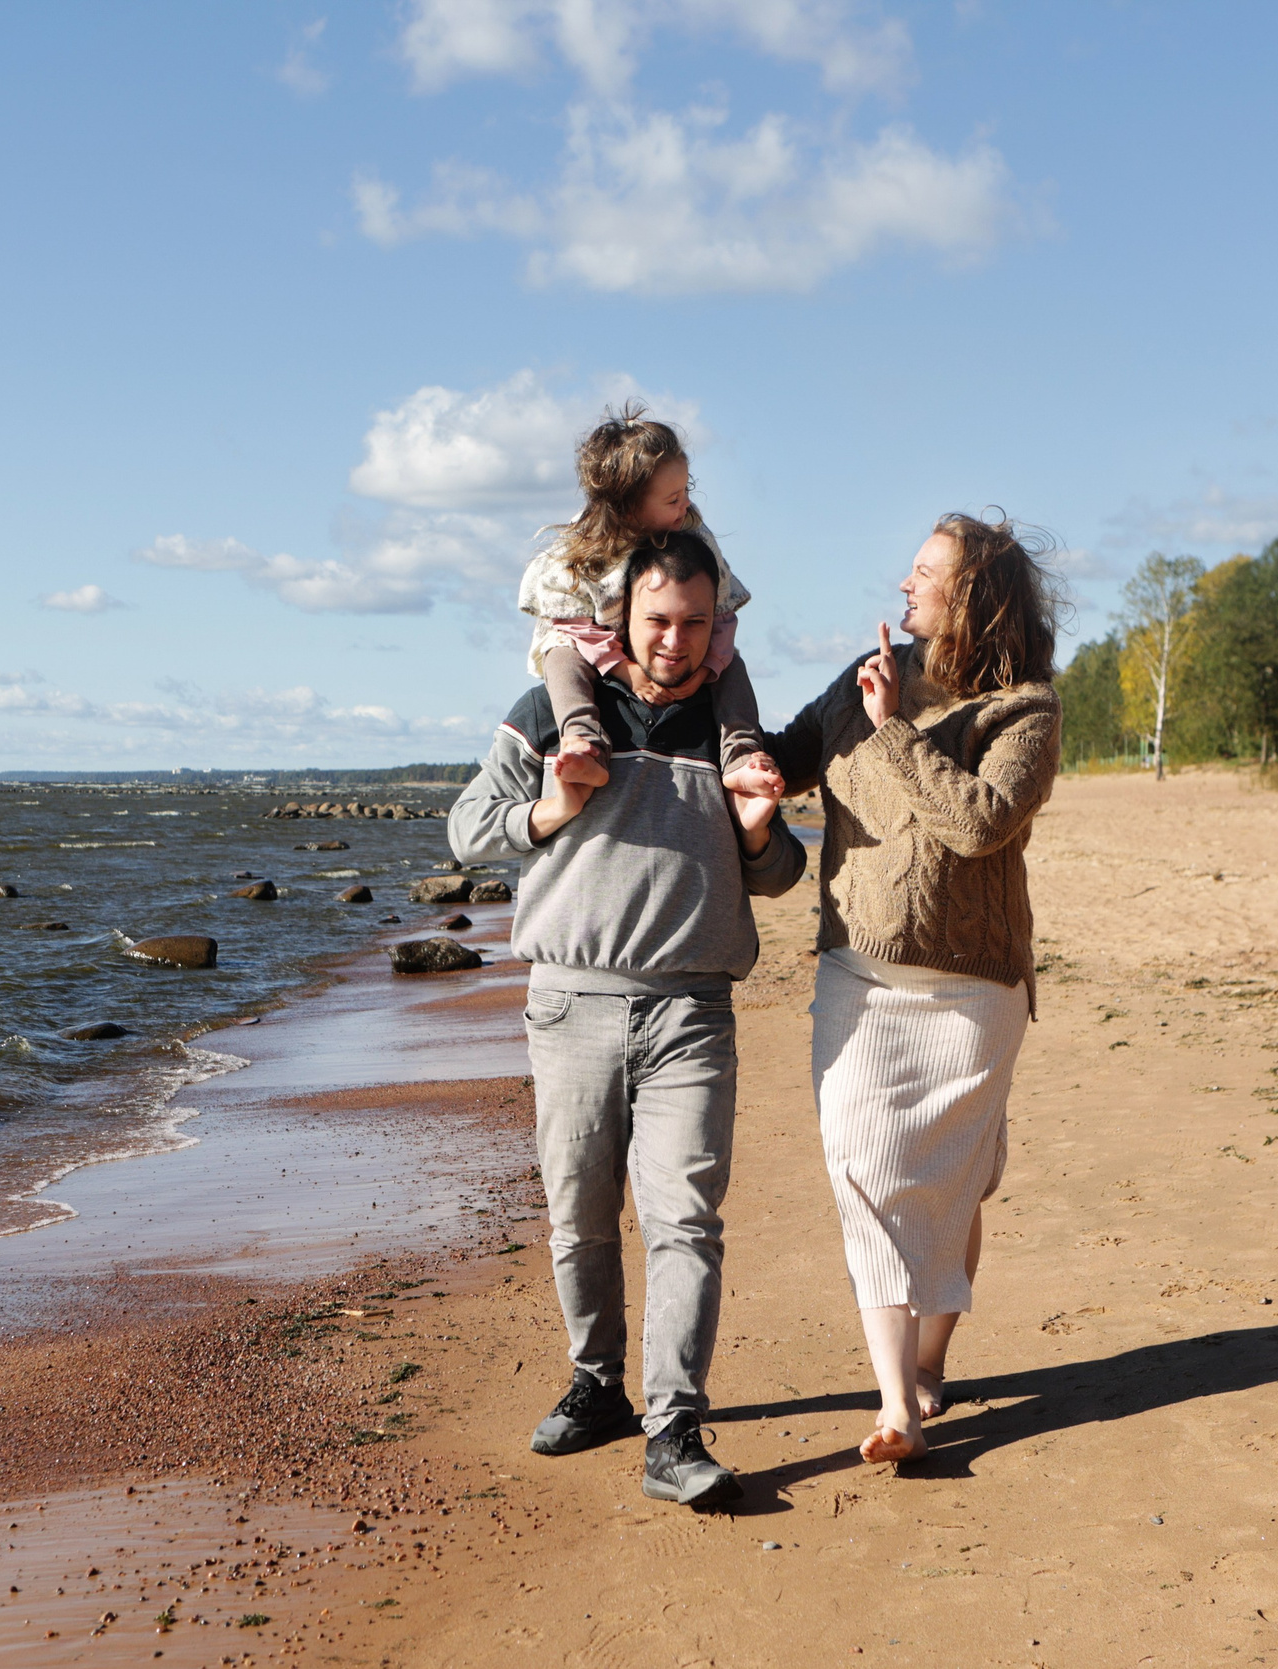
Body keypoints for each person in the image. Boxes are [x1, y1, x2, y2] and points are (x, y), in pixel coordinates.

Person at [450, 532, 806, 1508]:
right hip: (569, 1005)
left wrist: (758, 830)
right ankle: (597, 1383)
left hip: (692, 1011)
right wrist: (551, 808)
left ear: (716, 625)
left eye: (694, 623)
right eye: (657, 620)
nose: (674, 641)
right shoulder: (553, 713)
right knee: (579, 1217)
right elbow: (468, 828)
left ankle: (674, 1429)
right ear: (621, 615)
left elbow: (779, 874)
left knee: (684, 1220)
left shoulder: (729, 728)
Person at [763, 511, 1062, 1465]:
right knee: (863, 1168)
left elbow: (979, 824)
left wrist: (894, 728)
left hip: (972, 994)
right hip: (858, 975)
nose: (904, 583)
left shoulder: (1026, 710)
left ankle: (929, 1361)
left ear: (975, 595)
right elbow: (789, 752)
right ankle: (898, 1405)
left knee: (951, 1189)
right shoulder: (870, 672)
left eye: (925, 572)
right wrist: (733, 750)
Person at [516, 403, 783, 800]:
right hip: (597, 646)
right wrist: (624, 670)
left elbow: (721, 613)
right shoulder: (584, 551)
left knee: (733, 667)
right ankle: (583, 742)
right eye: (672, 499)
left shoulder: (692, 533)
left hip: (675, 651)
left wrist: (708, 666)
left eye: (687, 491)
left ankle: (742, 756)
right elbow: (571, 623)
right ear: (628, 507)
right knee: (560, 653)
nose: (686, 505)